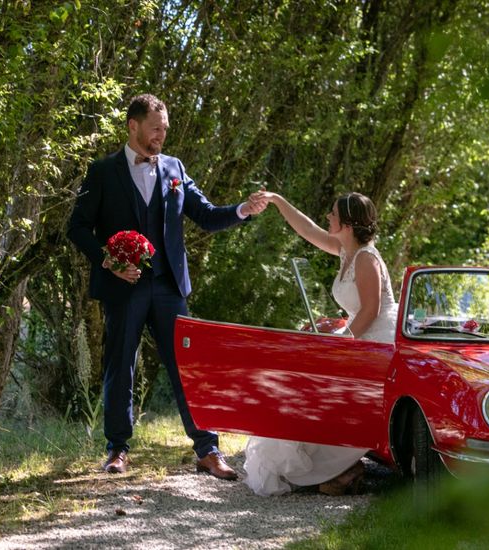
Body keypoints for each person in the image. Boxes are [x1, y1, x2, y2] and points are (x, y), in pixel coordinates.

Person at [67, 94, 266, 478]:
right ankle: (117, 450)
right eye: (155, 127)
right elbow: (76, 228)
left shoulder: (174, 167)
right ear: (133, 126)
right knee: (119, 368)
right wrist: (109, 260)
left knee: (188, 367)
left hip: (169, 287)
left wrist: (243, 210)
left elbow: (206, 216)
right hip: (122, 288)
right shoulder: (102, 171)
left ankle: (208, 450)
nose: (162, 134)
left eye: (165, 128)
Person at [242, 190, 398, 496]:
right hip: (359, 333)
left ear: (348, 224)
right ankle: (334, 469)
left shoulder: (366, 258)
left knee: (319, 386)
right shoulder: (345, 250)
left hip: (377, 342)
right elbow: (307, 229)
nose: (328, 217)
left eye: (333, 214)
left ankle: (335, 467)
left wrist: (342, 340)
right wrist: (276, 200)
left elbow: (371, 310)